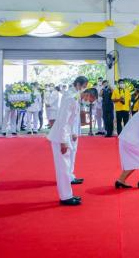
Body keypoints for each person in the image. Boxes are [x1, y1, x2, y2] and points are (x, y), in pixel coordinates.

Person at [47, 76, 96, 206]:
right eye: (85, 87)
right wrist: (64, 141)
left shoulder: (74, 97)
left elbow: (69, 122)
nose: (87, 100)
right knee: (63, 168)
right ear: (80, 86)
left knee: (65, 166)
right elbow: (63, 121)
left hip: (64, 135)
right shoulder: (71, 98)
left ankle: (67, 194)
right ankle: (65, 197)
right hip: (60, 137)